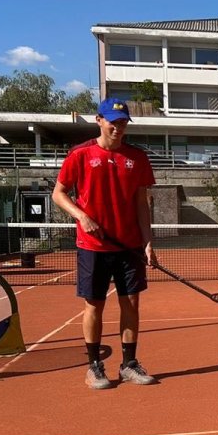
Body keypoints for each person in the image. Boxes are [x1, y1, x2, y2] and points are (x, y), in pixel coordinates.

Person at [52, 97, 157, 390]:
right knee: (94, 305)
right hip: (93, 245)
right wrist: (82, 216)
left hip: (129, 246)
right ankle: (94, 366)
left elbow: (141, 204)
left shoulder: (137, 157)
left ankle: (129, 364)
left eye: (123, 122)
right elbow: (59, 194)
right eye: (113, 121)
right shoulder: (80, 154)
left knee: (131, 304)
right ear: (99, 120)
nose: (118, 127)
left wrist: (148, 242)